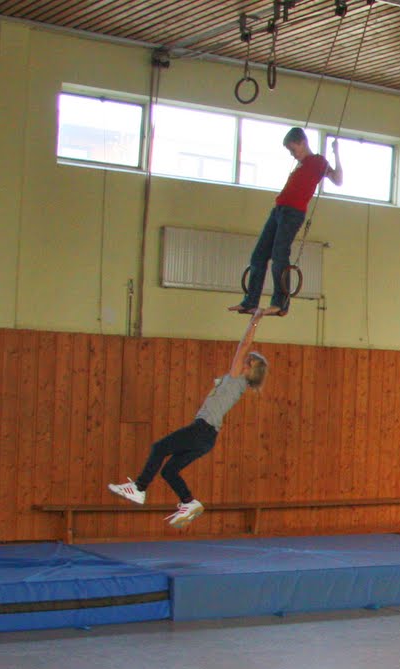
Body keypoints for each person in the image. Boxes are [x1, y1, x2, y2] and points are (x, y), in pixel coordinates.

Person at [107, 324, 269, 527]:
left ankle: (139, 488)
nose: (242, 361)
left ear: (249, 369)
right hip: (207, 438)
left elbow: (243, 345)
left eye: (247, 361)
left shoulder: (236, 379)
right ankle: (189, 501)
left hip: (202, 430)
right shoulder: (238, 385)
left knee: (159, 448)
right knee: (169, 471)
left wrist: (256, 319)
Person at [230, 128, 342, 316]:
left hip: (293, 213)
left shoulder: (318, 162)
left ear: (303, 143)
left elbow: (338, 180)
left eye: (293, 149)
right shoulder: (300, 165)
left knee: (279, 255)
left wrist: (336, 153)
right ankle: (250, 301)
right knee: (258, 255)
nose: (292, 154)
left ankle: (280, 303)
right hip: (278, 210)